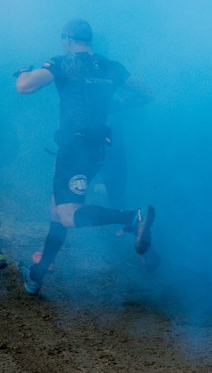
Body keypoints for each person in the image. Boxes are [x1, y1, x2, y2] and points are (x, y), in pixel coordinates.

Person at [14, 19, 155, 295]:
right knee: (57, 209)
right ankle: (37, 275)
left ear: (67, 39)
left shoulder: (64, 62)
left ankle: (133, 218)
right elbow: (147, 93)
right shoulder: (110, 66)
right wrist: (113, 107)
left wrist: (21, 72)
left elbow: (25, 87)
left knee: (67, 215)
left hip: (75, 150)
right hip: (96, 149)